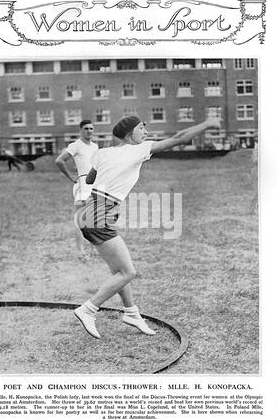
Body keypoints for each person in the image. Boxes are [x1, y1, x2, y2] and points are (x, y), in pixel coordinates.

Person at [73, 115, 221, 339]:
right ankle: (88, 309)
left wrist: (111, 171)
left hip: (87, 213)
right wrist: (207, 123)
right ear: (129, 133)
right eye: (141, 128)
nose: (146, 132)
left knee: (118, 270)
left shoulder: (103, 152)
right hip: (100, 215)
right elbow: (180, 138)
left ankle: (131, 313)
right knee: (127, 272)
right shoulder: (139, 149)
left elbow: (91, 179)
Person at [55, 120, 99, 257]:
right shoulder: (76, 145)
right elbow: (59, 160)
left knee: (93, 219)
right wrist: (71, 177)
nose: (89, 131)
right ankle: (80, 251)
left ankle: (94, 249)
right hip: (82, 184)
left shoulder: (95, 146)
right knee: (80, 219)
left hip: (95, 183)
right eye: (86, 128)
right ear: (81, 130)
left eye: (91, 128)